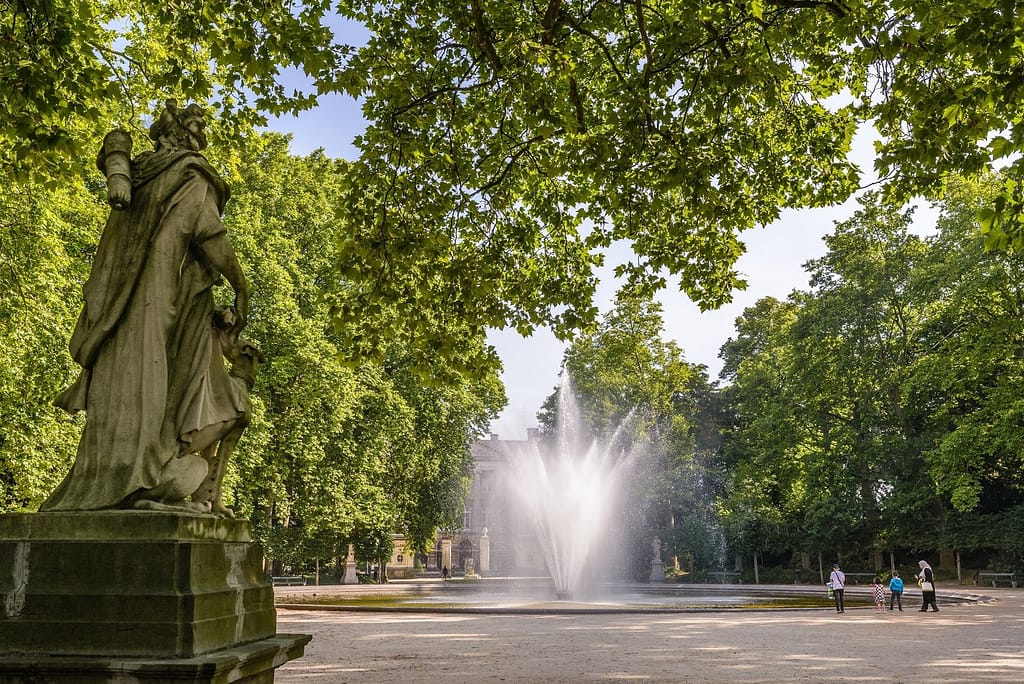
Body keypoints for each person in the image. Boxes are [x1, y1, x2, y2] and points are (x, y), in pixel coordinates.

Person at [41, 101, 250, 513]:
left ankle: (121, 480)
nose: (201, 134)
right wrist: (242, 286)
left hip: (124, 304)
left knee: (137, 383)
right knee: (153, 388)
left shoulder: (141, 175)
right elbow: (209, 234)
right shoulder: (191, 174)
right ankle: (141, 480)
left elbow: (116, 151)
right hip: (154, 304)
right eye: (197, 126)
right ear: (184, 135)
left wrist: (117, 163)